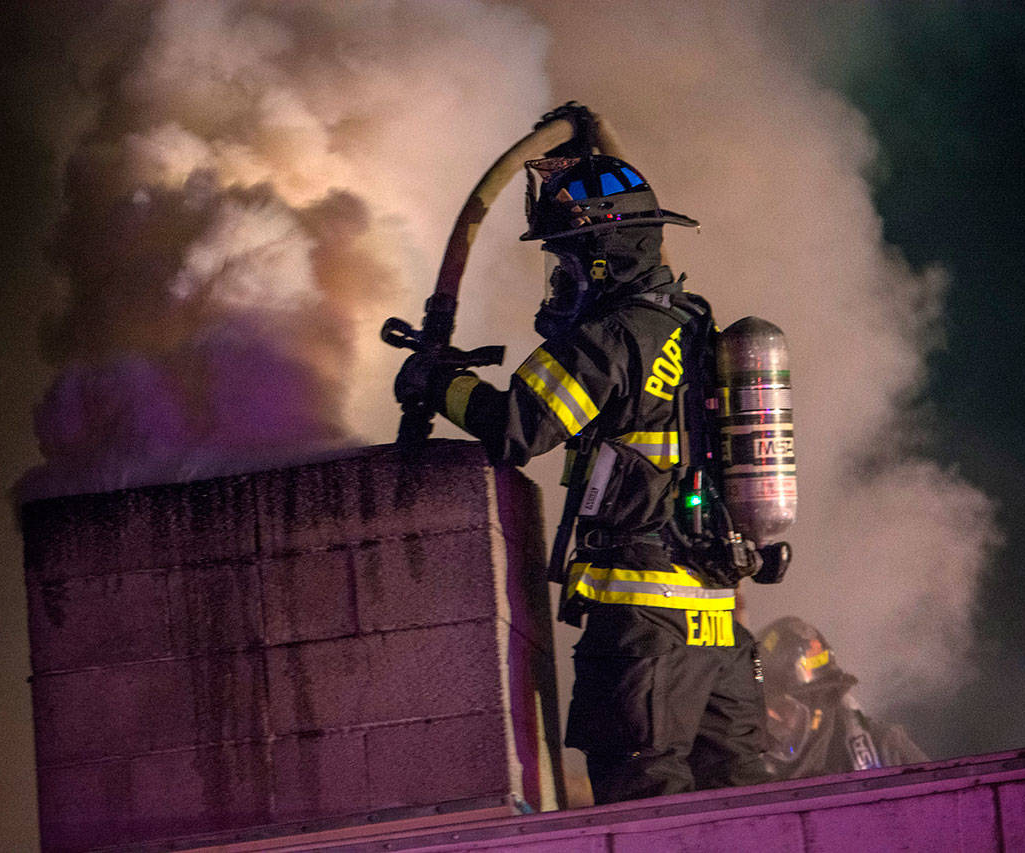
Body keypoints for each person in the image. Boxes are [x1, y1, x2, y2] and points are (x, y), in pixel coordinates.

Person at [395, 152, 771, 804]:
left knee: (647, 812)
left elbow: (518, 426)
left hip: (644, 628)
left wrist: (439, 382)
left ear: (601, 257)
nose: (560, 279)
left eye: (565, 261)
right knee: (744, 815)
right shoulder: (696, 326)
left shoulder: (611, 337)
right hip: (719, 634)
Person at [756, 616, 929, 779]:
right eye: (763, 707)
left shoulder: (886, 750)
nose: (770, 717)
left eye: (780, 708)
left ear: (818, 709)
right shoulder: (748, 767)